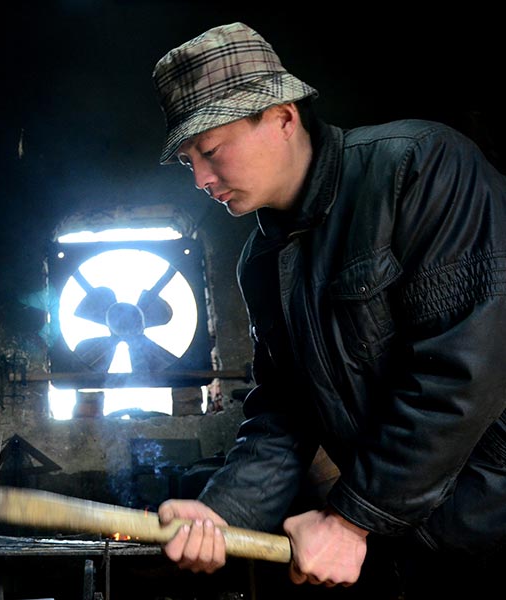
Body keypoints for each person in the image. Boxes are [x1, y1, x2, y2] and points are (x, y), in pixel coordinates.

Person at [151, 22, 506, 596]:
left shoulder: (419, 166)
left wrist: (351, 519)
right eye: (188, 161)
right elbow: (285, 411)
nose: (200, 179)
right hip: (413, 550)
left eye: (210, 151)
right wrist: (221, 511)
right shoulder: (260, 263)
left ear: (282, 117)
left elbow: (467, 369)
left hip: (492, 522)